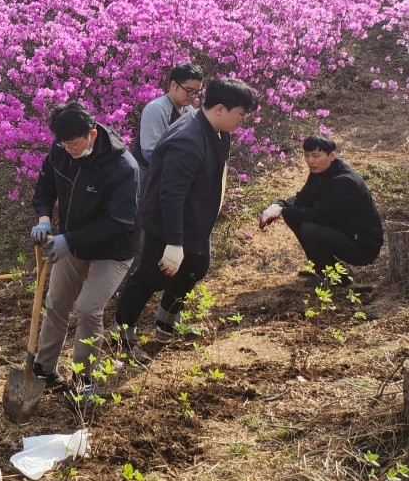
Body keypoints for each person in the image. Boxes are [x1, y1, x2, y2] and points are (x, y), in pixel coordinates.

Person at [115, 78, 258, 356]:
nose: (243, 120)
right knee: (149, 278)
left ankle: (166, 324)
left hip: (196, 220)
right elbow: (171, 196)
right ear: (220, 108)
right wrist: (174, 243)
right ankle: (123, 338)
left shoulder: (217, 129)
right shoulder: (188, 141)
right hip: (167, 223)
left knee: (196, 266)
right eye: (240, 113)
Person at [28, 102, 138, 392]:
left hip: (113, 250)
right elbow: (46, 184)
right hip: (73, 242)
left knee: (88, 309)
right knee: (56, 303)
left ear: (91, 133)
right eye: (63, 144)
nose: (68, 151)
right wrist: (43, 218)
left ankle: (84, 378)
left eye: (73, 145)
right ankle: (44, 369)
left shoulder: (123, 167)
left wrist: (69, 239)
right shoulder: (61, 151)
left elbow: (119, 222)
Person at [259, 135, 383, 279]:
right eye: (307, 155)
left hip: (362, 245)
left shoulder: (345, 181)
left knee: (309, 228)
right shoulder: (320, 172)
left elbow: (319, 215)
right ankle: (320, 267)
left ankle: (335, 278)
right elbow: (303, 199)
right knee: (292, 216)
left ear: (332, 156)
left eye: (316, 156)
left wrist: (283, 210)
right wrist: (277, 206)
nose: (310, 161)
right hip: (343, 231)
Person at [136, 64, 205, 170]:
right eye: (189, 91)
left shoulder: (189, 111)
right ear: (173, 85)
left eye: (197, 92)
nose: (193, 96)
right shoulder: (156, 109)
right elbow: (150, 153)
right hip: (149, 176)